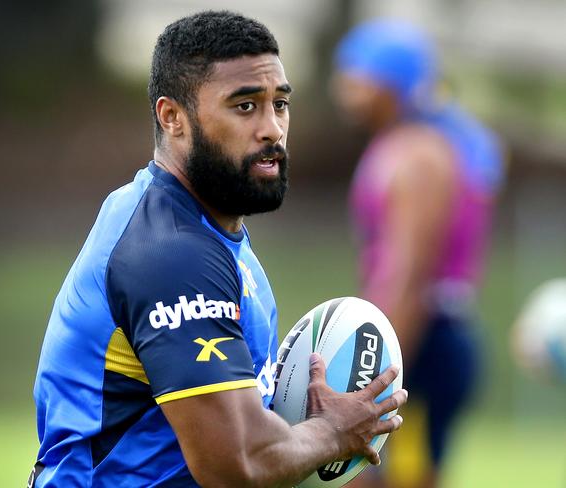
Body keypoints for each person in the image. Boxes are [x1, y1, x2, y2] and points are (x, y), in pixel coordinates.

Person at [29, 11, 407, 487]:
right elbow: (235, 462)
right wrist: (332, 434)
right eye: (245, 106)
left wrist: (304, 421)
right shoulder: (171, 252)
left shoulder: (210, 236)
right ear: (173, 118)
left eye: (280, 104)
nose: (272, 129)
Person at [331, 19, 504, 488]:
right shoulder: (409, 145)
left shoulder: (419, 156)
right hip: (420, 339)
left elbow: (409, 275)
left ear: (388, 82)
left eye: (353, 75)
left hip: (422, 344)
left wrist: (375, 381)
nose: (342, 88)